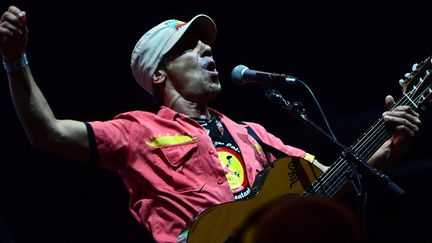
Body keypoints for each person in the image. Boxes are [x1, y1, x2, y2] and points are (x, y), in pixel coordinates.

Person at [0, 5, 421, 243]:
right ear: (159, 74)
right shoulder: (136, 131)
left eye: (207, 46)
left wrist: (390, 148)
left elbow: (331, 181)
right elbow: (47, 131)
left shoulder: (253, 133)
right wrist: (15, 60)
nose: (207, 52)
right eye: (189, 48)